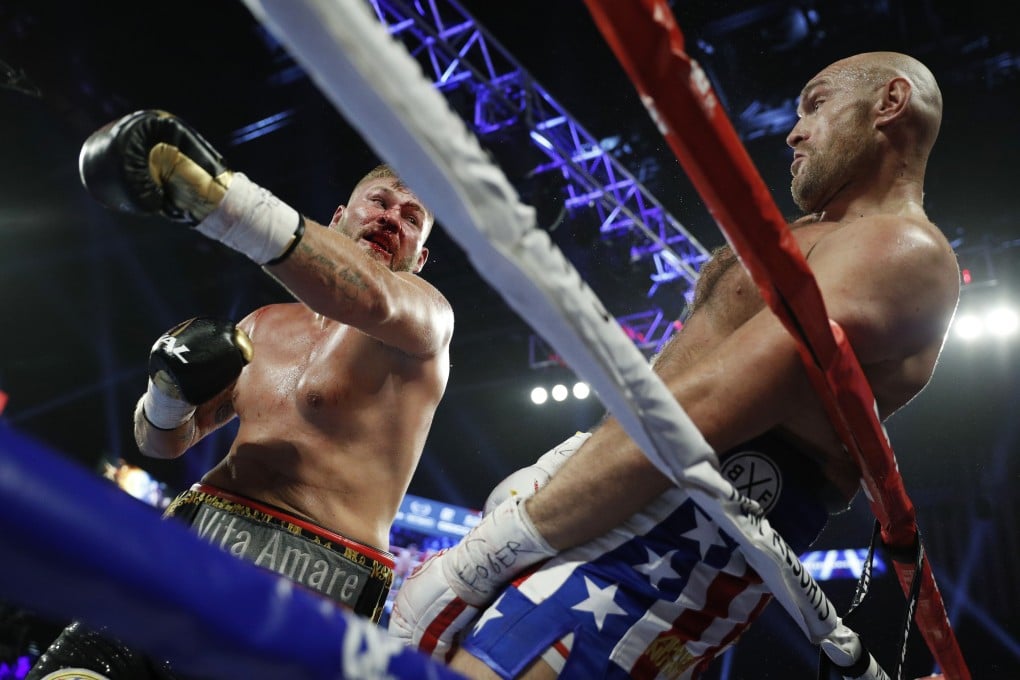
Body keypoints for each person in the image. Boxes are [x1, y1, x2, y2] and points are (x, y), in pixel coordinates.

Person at [390, 51, 960, 680]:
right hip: (628, 490)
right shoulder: (814, 234)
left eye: (816, 105)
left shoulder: (901, 249)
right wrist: (566, 467)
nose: (794, 132)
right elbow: (679, 386)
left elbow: (704, 409)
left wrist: (503, 544)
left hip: (681, 531)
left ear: (890, 103)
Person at [28, 110, 454, 679]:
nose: (391, 218)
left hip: (308, 591)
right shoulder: (262, 324)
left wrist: (226, 203)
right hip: (189, 546)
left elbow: (373, 298)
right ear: (338, 217)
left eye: (411, 217)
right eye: (379, 202)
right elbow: (161, 444)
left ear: (419, 259)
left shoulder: (425, 323)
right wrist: (166, 395)